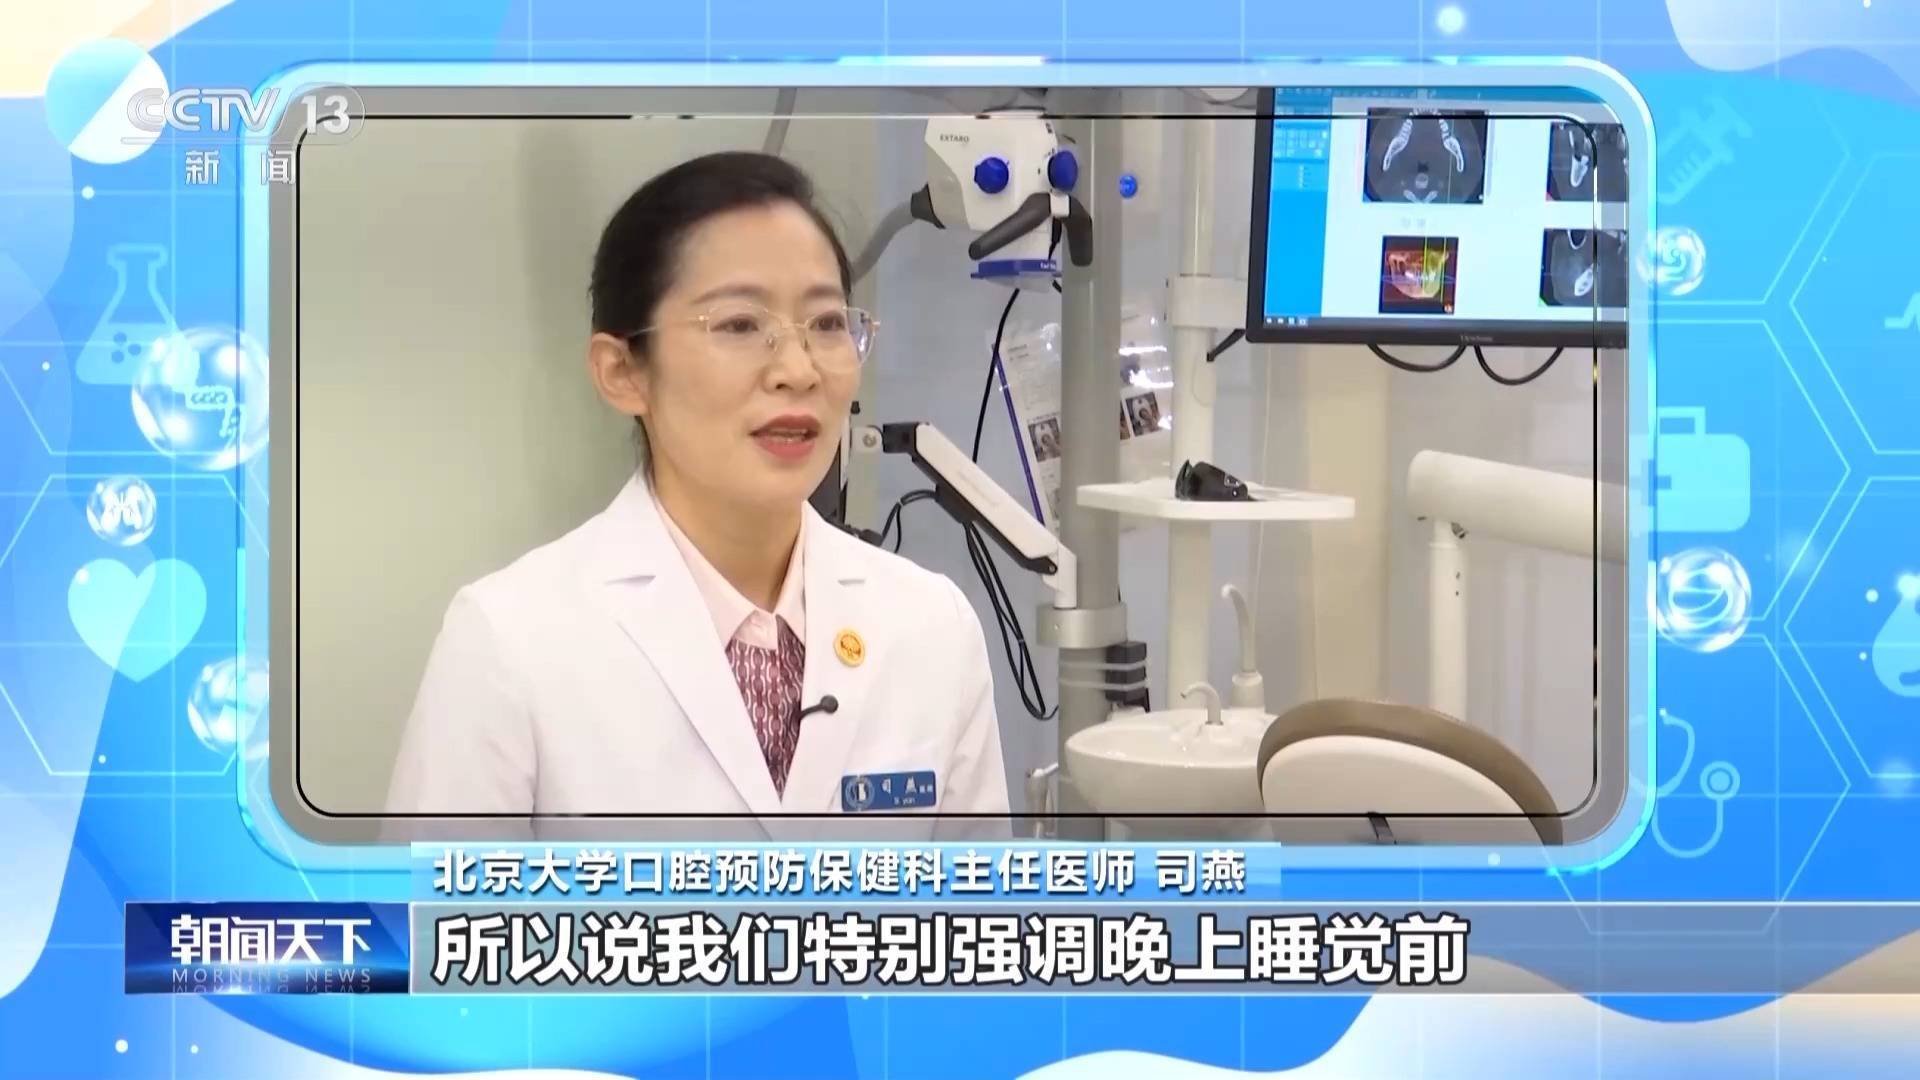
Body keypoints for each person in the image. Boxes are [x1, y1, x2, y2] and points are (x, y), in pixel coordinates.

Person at [385, 152, 1010, 839]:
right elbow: (439, 908)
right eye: (739, 325)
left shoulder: (932, 627)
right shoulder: (509, 639)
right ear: (623, 372)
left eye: (828, 323)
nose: (798, 370)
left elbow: (978, 904)